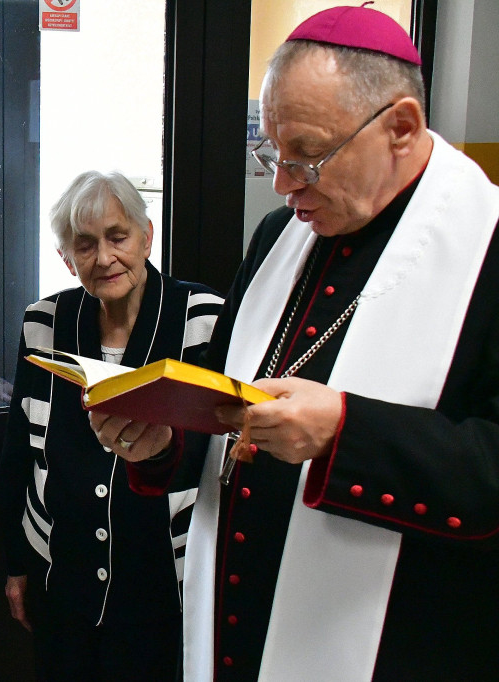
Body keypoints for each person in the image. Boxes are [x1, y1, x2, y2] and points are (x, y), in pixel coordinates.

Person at [91, 5, 499, 680]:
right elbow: (226, 405)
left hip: (401, 641)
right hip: (239, 633)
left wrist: (345, 432)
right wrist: (163, 441)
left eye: (308, 157)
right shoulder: (280, 238)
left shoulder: (485, 249)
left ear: (400, 128)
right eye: (272, 153)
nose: (282, 186)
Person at [0, 171, 222, 680]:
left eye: (117, 237)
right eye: (85, 245)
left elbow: (219, 448)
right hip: (62, 575)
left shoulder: (202, 318)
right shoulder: (44, 322)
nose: (104, 258)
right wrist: (16, 564)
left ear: (147, 236)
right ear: (66, 257)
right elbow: (18, 450)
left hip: (167, 582)